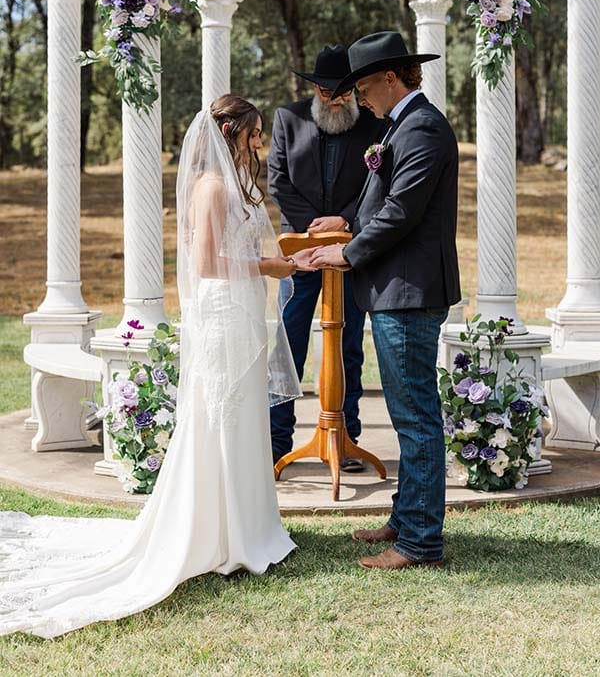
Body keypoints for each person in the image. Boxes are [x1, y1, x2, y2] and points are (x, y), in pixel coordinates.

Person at [0, 95, 305, 638]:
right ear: (232, 132)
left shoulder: (236, 183)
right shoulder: (211, 186)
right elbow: (208, 263)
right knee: (221, 413)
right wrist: (270, 266)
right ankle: (218, 533)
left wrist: (280, 260)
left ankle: (248, 526)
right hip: (220, 309)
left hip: (239, 307)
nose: (259, 143)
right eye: (254, 133)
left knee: (241, 414)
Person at [311, 31, 461, 570]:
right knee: (406, 413)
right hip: (397, 289)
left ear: (392, 78)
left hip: (410, 291)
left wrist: (346, 253)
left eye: (364, 86)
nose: (358, 98)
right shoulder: (403, 125)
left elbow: (402, 212)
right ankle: (405, 518)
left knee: (416, 417)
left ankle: (420, 542)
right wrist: (348, 219)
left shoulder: (423, 128)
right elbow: (385, 199)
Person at [267, 44, 385, 470]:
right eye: (324, 92)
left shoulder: (374, 123)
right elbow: (278, 181)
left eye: (341, 93)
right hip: (299, 250)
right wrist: (314, 227)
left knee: (349, 345)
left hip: (352, 247)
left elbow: (379, 185)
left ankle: (346, 435)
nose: (333, 100)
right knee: (287, 344)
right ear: (313, 89)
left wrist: (344, 223)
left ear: (354, 91)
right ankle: (277, 439)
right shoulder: (288, 117)